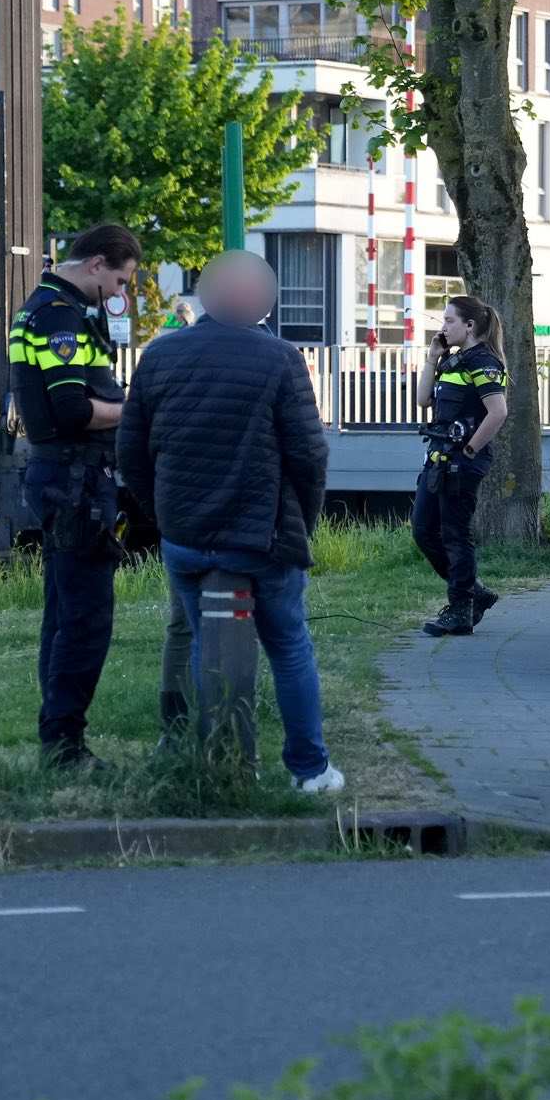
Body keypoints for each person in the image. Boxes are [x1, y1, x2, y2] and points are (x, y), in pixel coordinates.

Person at [117, 249, 344, 794]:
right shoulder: (281, 359)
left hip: (186, 537)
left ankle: (220, 759)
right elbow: (309, 454)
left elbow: (131, 451)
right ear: (263, 302)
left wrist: (162, 515)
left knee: (203, 642)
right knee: (288, 646)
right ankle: (310, 770)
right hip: (262, 537)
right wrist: (302, 521)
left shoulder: (160, 355)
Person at [10, 223, 142, 771]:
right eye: (119, 281)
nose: (119, 293)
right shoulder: (59, 317)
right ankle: (65, 745)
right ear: (95, 264)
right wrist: (136, 410)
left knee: (64, 613)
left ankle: (58, 738)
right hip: (75, 481)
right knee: (85, 618)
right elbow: (72, 410)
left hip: (63, 477)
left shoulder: (42, 308)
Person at [412, 295, 510, 637]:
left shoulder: (483, 362)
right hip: (438, 459)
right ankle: (474, 592)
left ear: (469, 326)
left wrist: (469, 450)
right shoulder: (453, 361)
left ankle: (460, 609)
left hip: (461, 464)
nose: (443, 327)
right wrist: (432, 359)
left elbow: (498, 412)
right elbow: (423, 400)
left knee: (455, 535)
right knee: (423, 530)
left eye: (449, 320)